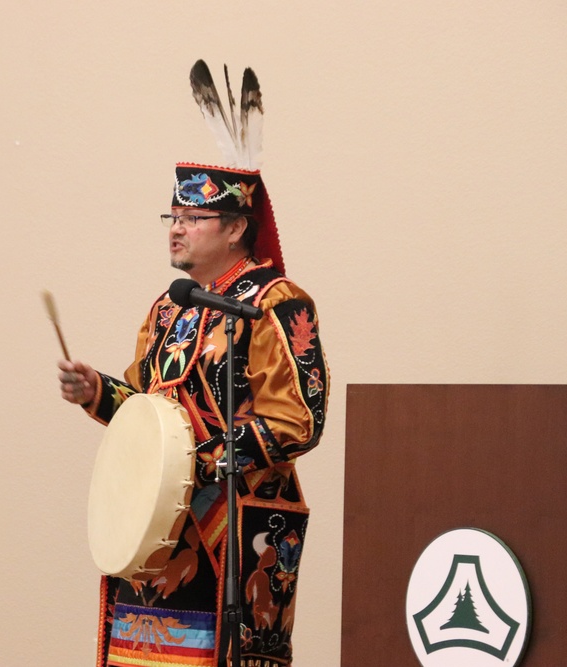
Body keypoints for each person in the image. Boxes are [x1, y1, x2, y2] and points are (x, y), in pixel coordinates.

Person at [58, 64, 329, 667]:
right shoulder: (167, 308)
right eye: (171, 218)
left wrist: (202, 462)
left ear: (235, 228)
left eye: (192, 219)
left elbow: (298, 421)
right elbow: (148, 415)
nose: (176, 229)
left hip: (233, 526)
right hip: (159, 526)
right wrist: (97, 393)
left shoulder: (274, 303)